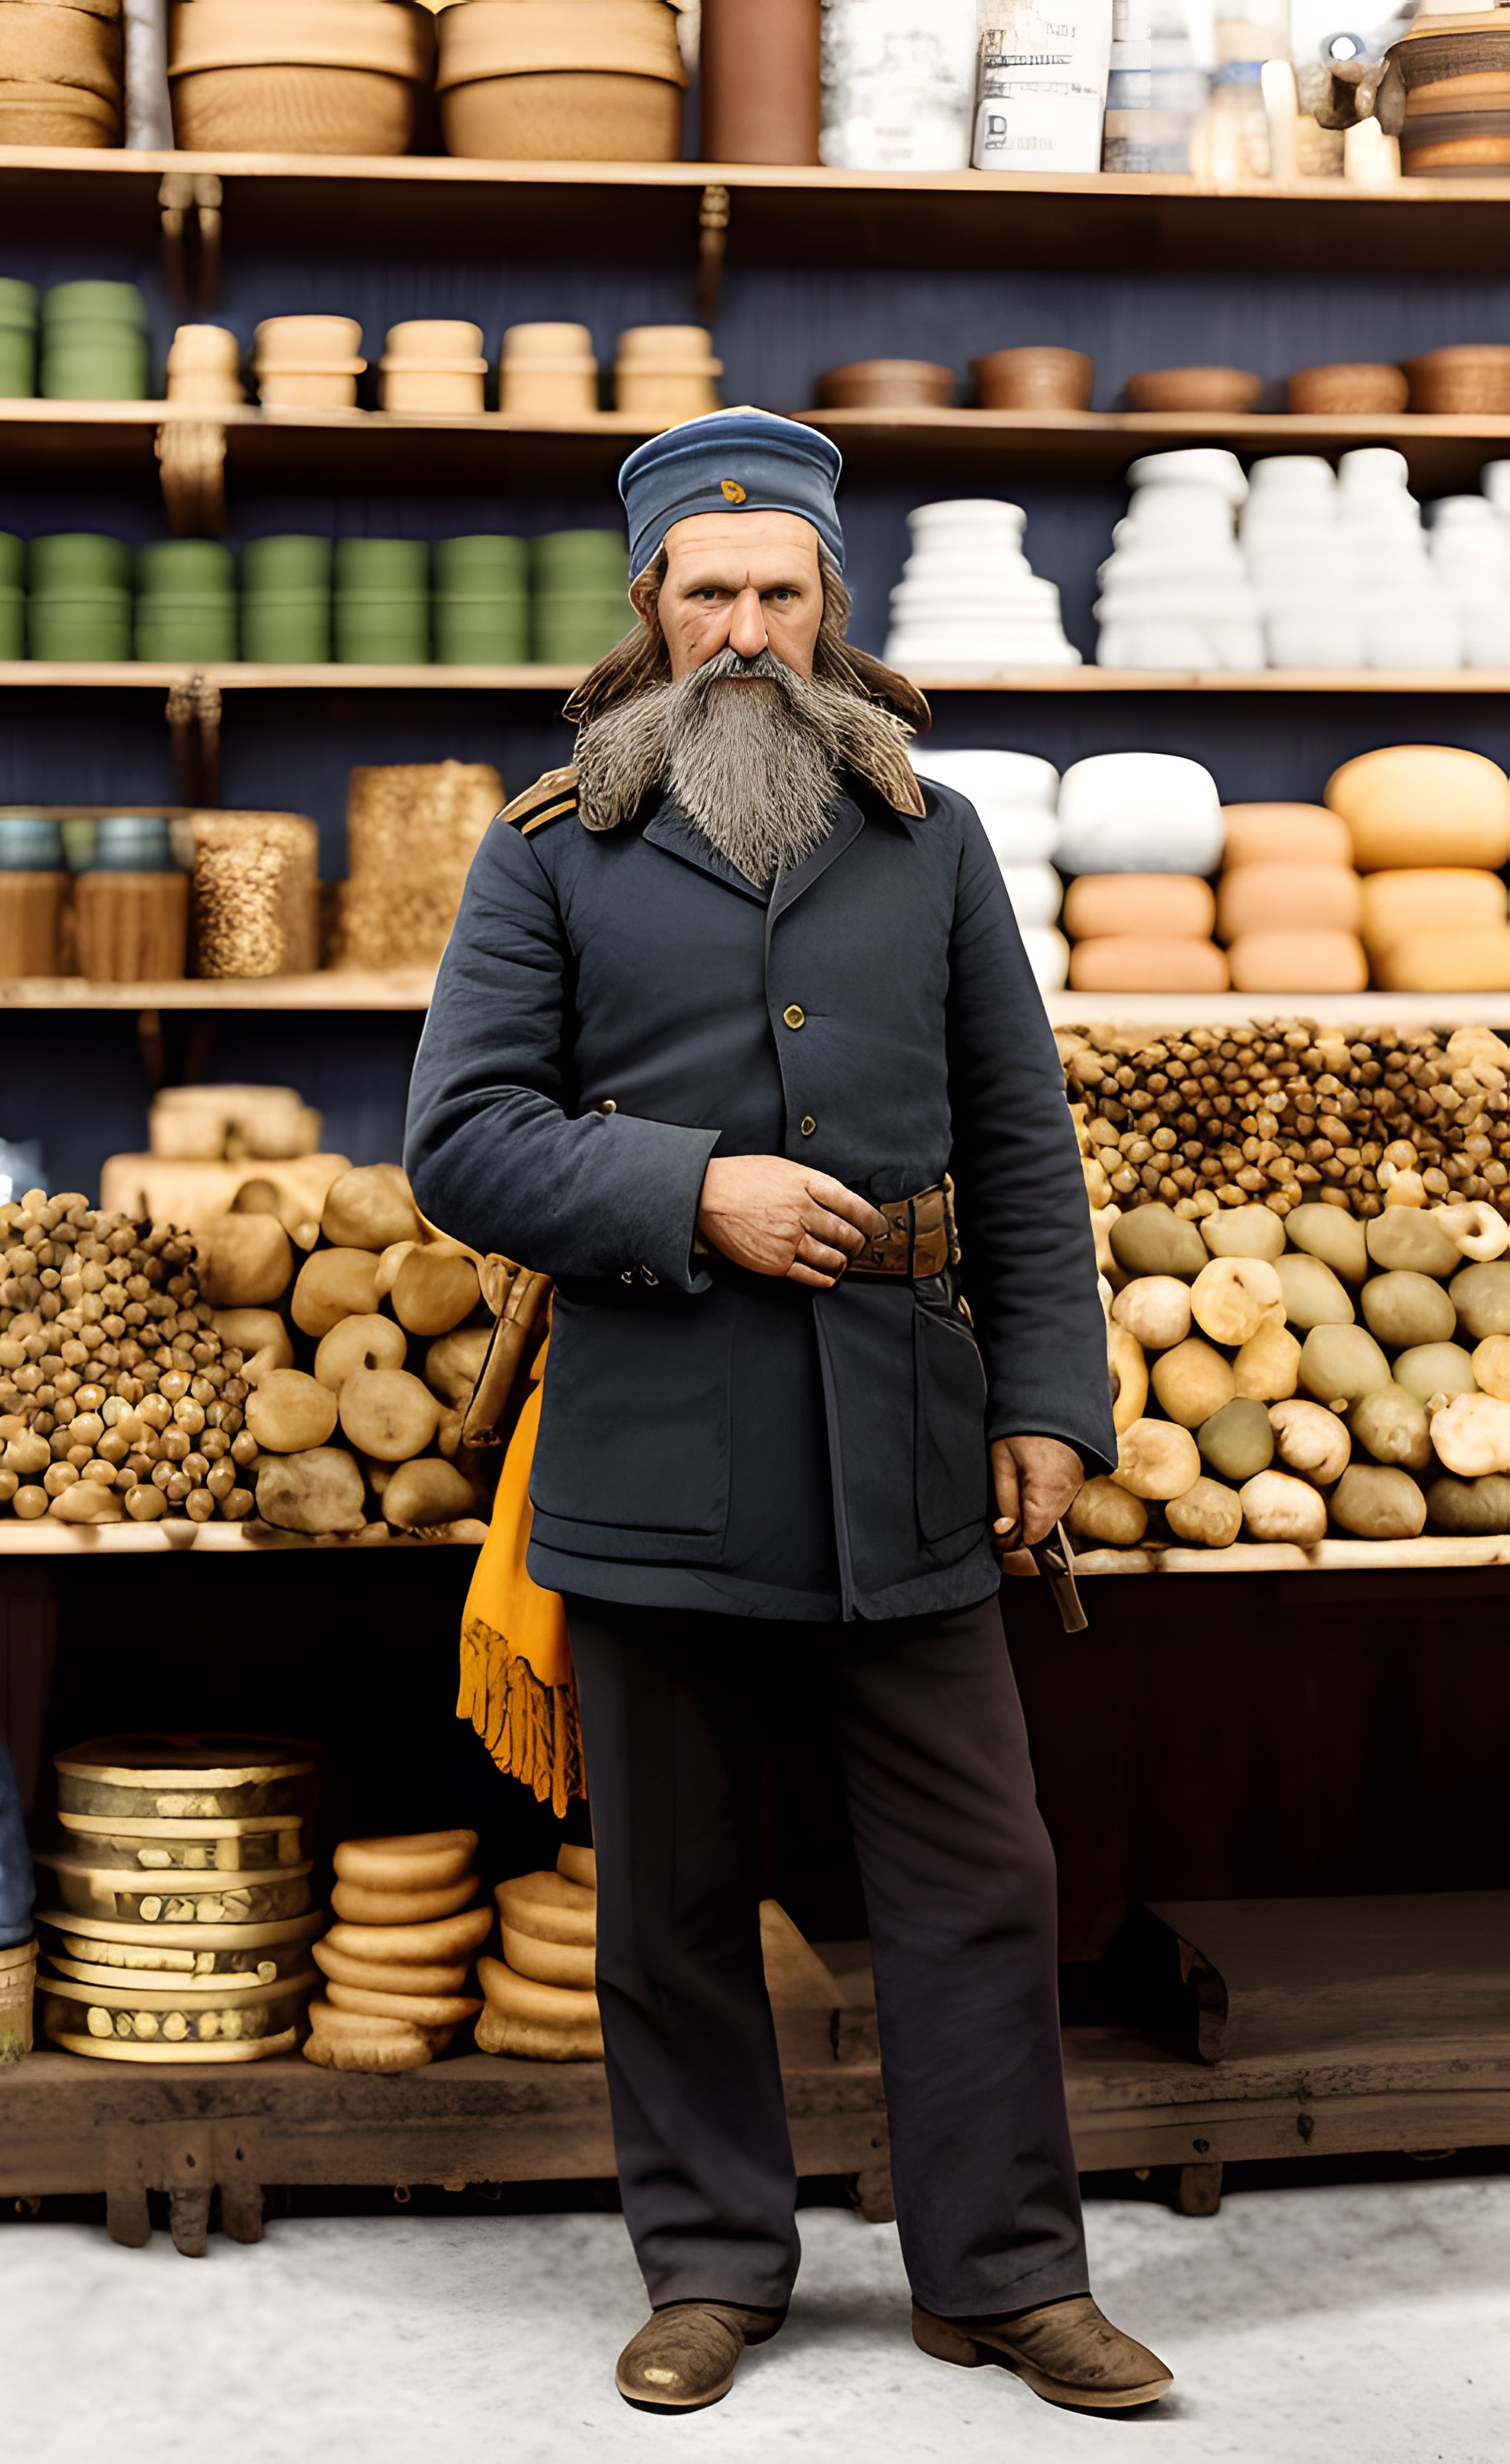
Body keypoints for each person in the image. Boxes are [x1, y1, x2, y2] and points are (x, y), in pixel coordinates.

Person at [404, 409, 1171, 2418]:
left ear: (832, 610)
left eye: (780, 594)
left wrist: (1048, 1408)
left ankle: (1001, 2274)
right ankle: (713, 2269)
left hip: (913, 1442)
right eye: (706, 596)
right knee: (666, 1900)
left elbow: (1022, 1145)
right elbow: (459, 1144)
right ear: (647, 613)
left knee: (977, 1878)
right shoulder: (546, 845)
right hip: (654, 1447)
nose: (743, 632)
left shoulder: (933, 839)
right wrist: (690, 1193)